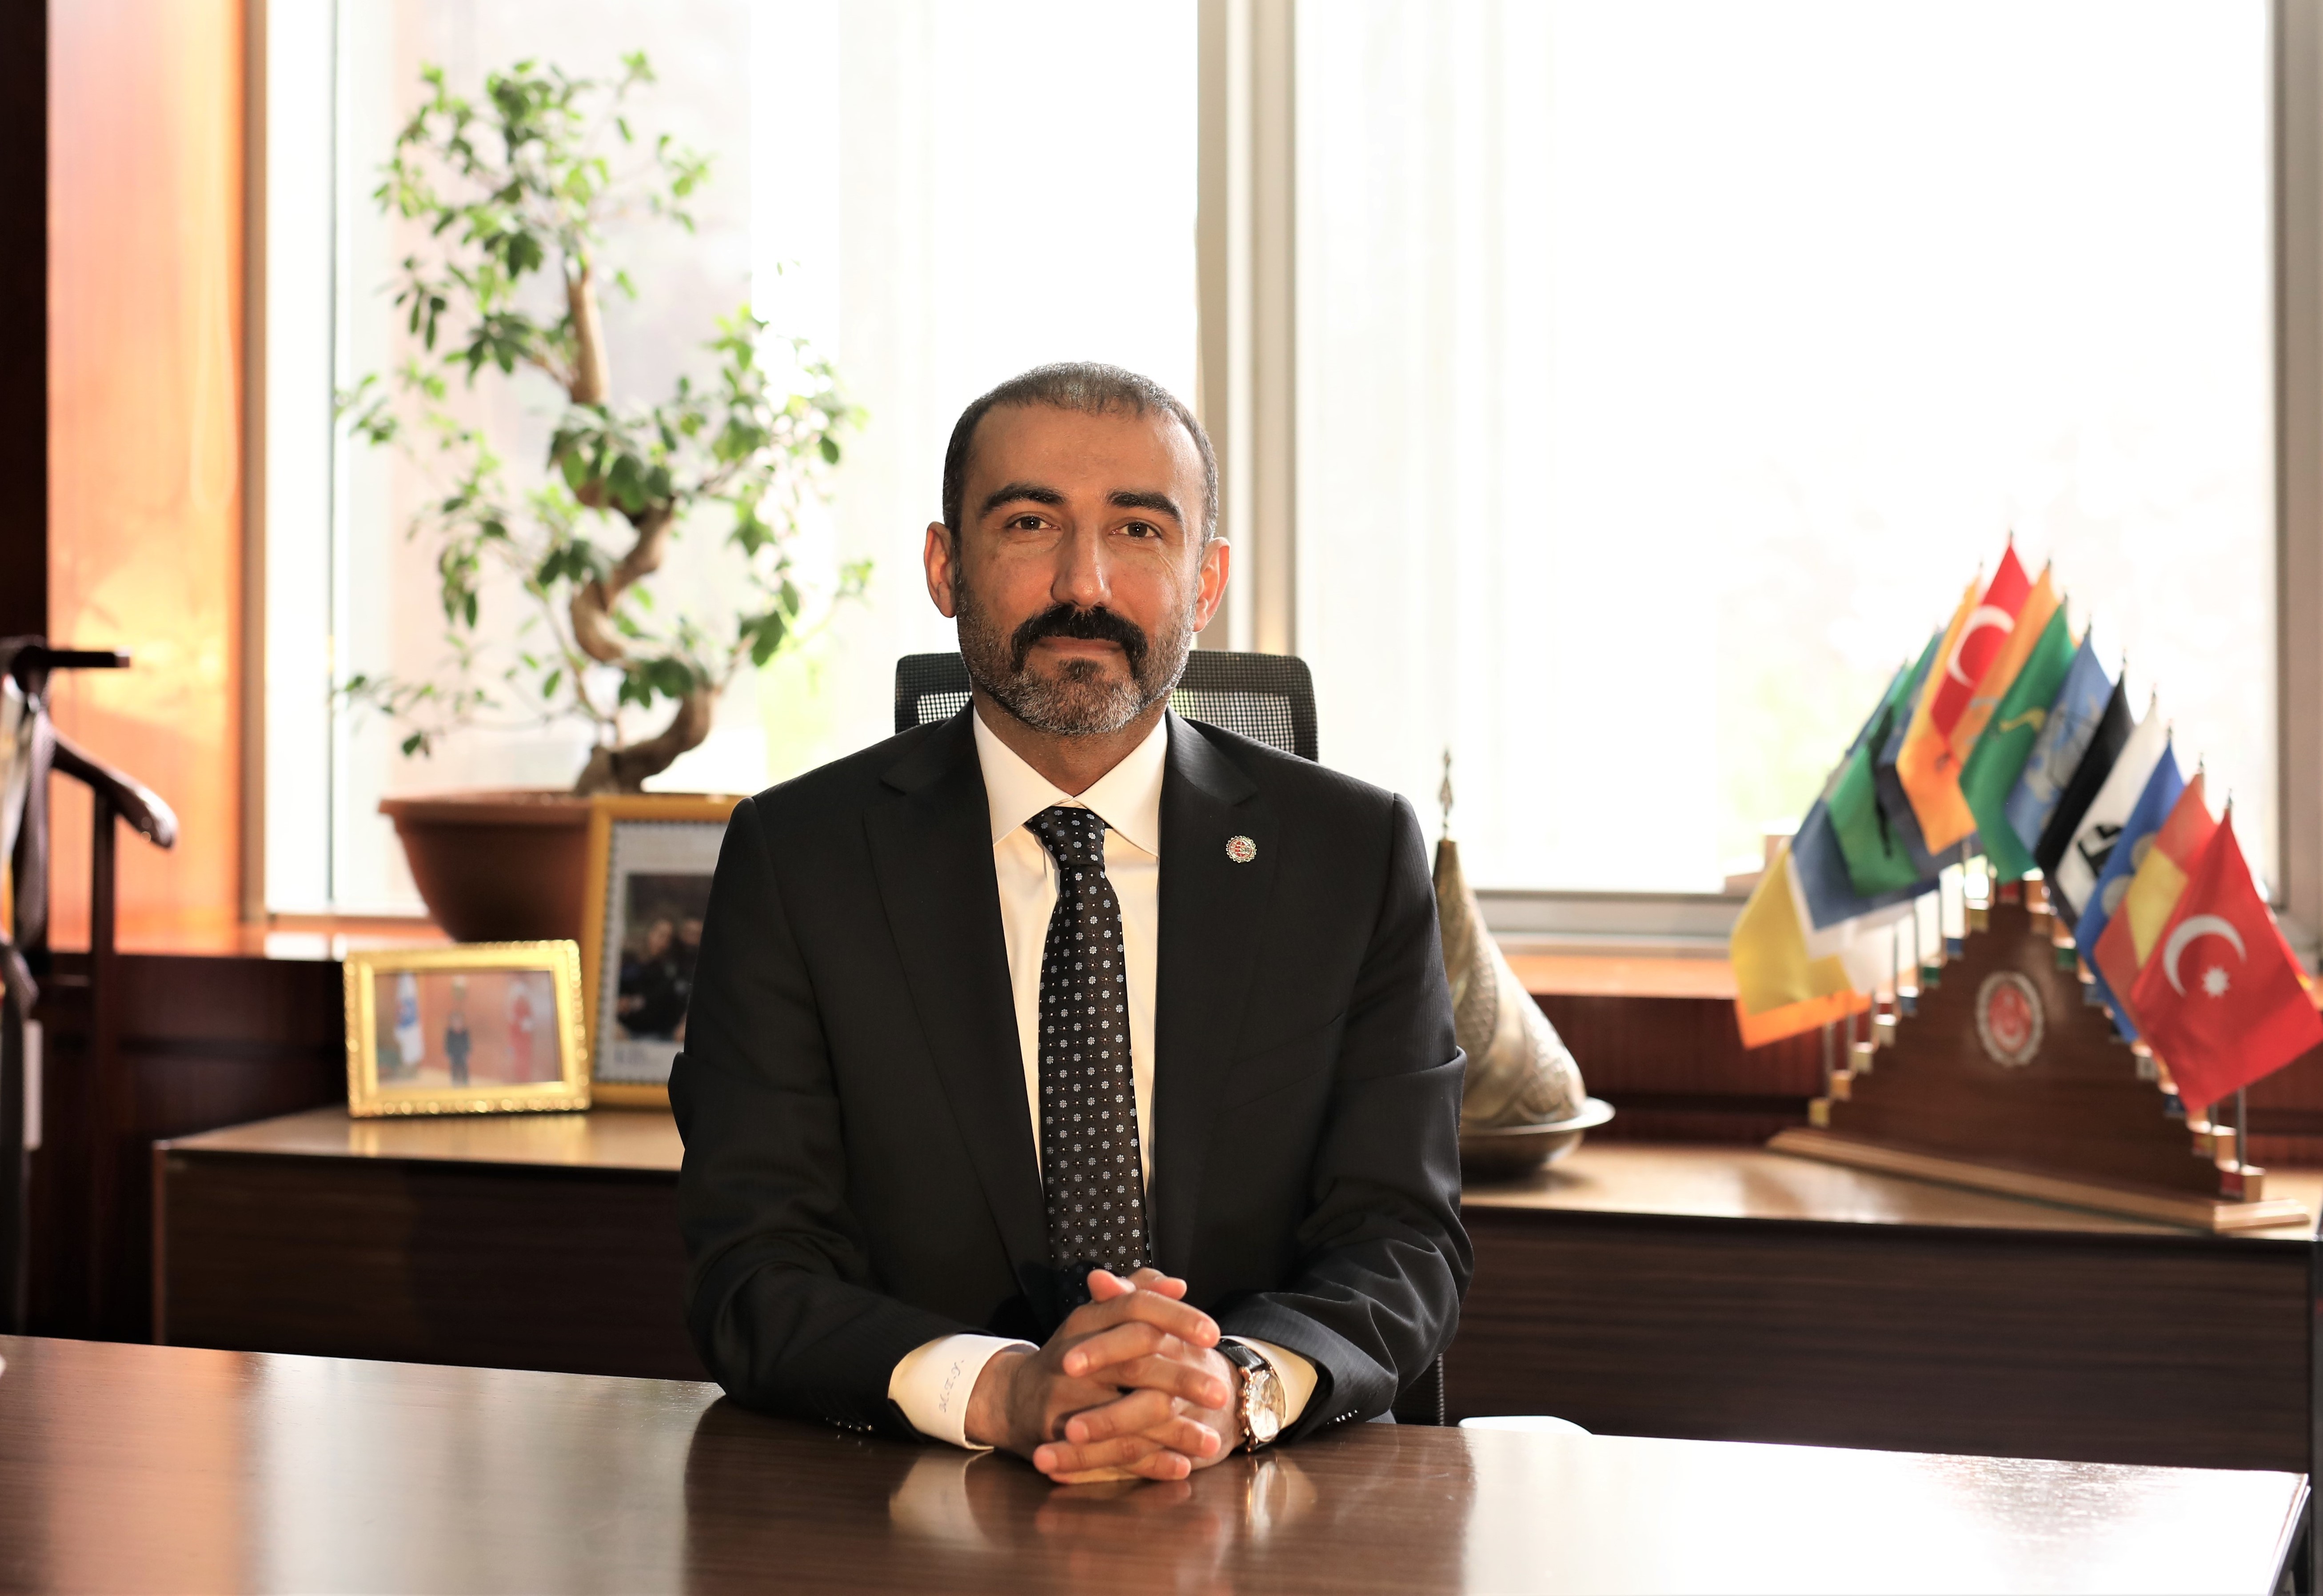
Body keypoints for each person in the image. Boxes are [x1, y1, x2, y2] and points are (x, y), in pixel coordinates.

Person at [672, 363, 1468, 1484]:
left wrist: (1224, 1388)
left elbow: (1402, 1241)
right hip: (909, 1506)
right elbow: (752, 1266)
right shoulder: (798, 860)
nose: (1083, 583)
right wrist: (1003, 1390)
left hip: (1262, 1496)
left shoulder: (1352, 857)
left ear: (1204, 581)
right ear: (945, 567)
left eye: (1139, 529)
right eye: (1029, 523)